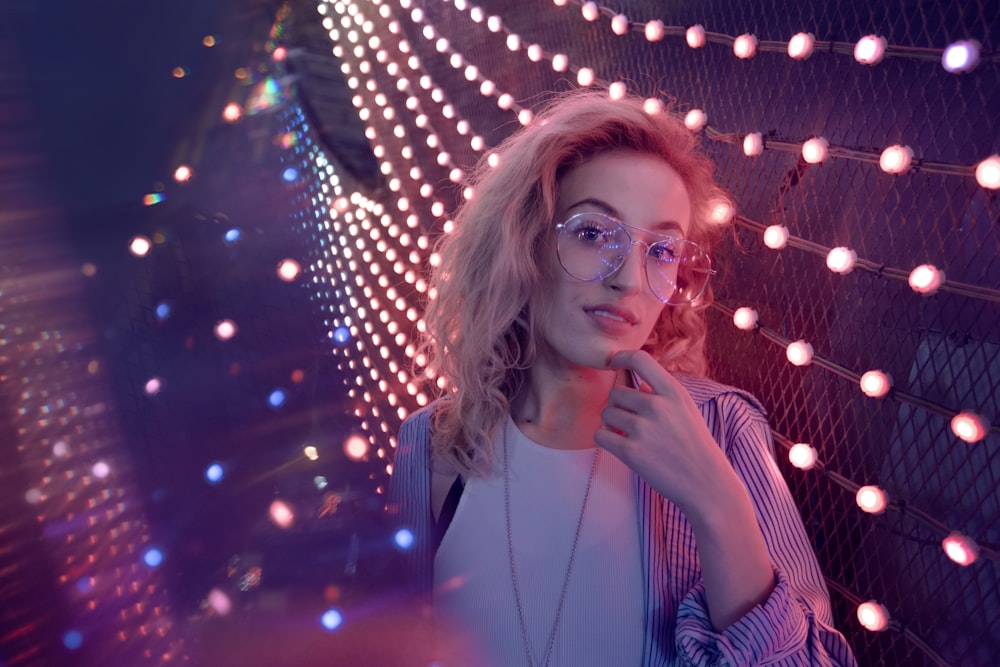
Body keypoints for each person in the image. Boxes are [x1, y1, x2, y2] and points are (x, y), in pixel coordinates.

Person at [387, 88, 857, 667]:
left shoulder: (722, 426)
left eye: (662, 250)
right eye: (592, 234)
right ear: (521, 243)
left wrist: (717, 501)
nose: (630, 280)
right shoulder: (428, 444)